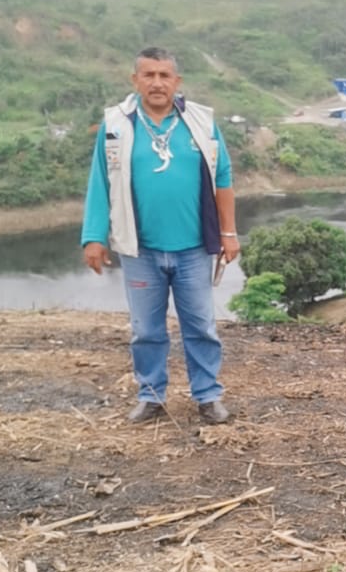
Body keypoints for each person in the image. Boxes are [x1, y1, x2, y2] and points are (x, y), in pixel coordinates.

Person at [81, 47, 240, 424]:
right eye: (148, 75)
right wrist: (93, 236)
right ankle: (151, 396)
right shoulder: (116, 125)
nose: (156, 83)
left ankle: (208, 396)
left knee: (201, 327)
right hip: (141, 251)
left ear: (176, 81)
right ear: (135, 80)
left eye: (164, 75)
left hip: (194, 249)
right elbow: (100, 182)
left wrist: (229, 232)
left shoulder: (201, 121)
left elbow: (223, 178)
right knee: (146, 331)